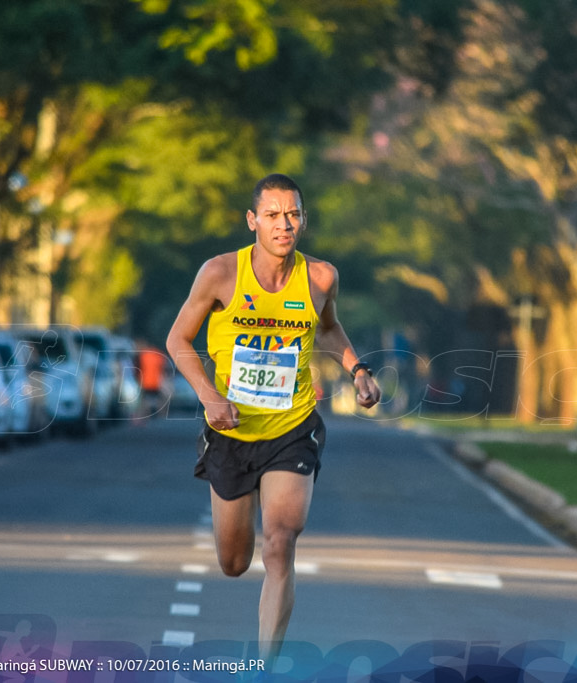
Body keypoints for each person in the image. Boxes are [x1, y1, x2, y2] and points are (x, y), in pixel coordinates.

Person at [165, 173, 381, 668]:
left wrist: (358, 369)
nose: (283, 225)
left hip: (293, 426)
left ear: (303, 220)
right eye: (272, 215)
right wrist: (209, 397)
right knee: (235, 562)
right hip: (232, 429)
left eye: (293, 215)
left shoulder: (320, 277)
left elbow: (327, 328)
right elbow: (178, 340)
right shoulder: (220, 274)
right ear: (252, 221)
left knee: (281, 542)